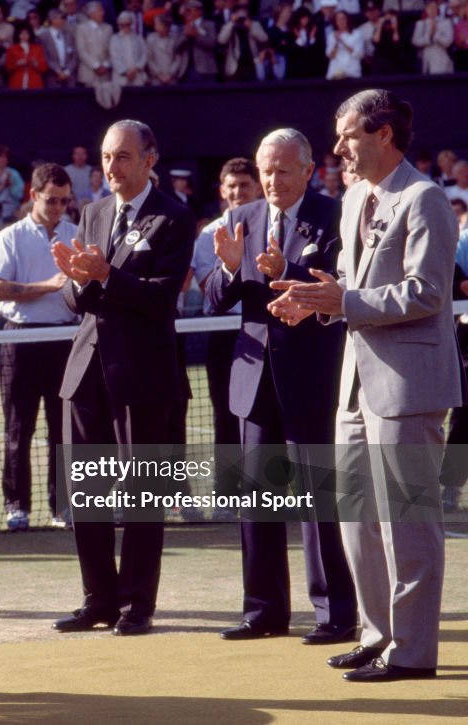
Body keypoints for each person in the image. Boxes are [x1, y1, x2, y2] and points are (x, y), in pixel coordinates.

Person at [270, 89, 462, 682]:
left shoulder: (426, 198)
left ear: (383, 134)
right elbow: (352, 284)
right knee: (357, 519)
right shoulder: (355, 198)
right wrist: (319, 301)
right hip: (355, 386)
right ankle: (379, 636)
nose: (338, 147)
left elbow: (428, 293)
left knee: (407, 523)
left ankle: (412, 652)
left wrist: (345, 299)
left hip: (409, 388)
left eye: (349, 134)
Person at [205, 129, 357, 645]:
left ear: (308, 171)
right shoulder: (240, 218)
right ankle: (263, 610)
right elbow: (214, 299)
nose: (272, 180)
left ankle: (334, 613)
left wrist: (286, 270)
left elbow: (340, 285)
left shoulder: (334, 214)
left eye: (283, 170)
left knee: (320, 500)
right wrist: (229, 267)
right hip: (254, 380)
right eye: (265, 170)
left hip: (312, 378)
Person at [51, 120, 194, 637]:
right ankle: (99, 600)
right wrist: (77, 280)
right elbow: (75, 301)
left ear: (149, 159)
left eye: (124, 157)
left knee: (141, 497)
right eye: (107, 157)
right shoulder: (91, 213)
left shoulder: (174, 217)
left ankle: (137, 605)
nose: (112, 167)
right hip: (86, 370)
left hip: (143, 374)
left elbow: (160, 298)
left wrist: (106, 276)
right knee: (86, 493)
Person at [0, 163, 76, 531]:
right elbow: (0, 290)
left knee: (63, 429)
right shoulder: (11, 236)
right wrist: (48, 286)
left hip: (63, 341)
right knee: (18, 429)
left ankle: (63, 507)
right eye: (51, 200)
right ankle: (16, 507)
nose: (57, 208)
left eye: (64, 201)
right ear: (34, 195)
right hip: (20, 340)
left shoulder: (76, 232)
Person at [189, 157, 262, 519]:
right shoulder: (207, 236)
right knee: (225, 414)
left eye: (244, 185)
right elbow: (212, 290)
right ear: (222, 191)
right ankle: (226, 494)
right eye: (231, 187)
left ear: (257, 187)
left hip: (266, 332)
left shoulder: (273, 227)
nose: (237, 192)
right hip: (223, 336)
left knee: (269, 416)